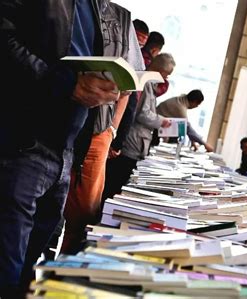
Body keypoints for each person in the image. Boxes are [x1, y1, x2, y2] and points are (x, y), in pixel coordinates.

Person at [0, 0, 121, 296]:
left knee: (30, 274)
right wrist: (65, 84)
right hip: (24, 143)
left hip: (65, 150)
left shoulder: (97, 6)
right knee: (8, 274)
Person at [60, 3, 146, 255]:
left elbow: (128, 89)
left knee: (85, 209)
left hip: (98, 128)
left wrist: (112, 130)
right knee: (48, 204)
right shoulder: (71, 7)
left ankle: (66, 266)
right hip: (59, 115)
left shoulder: (121, 18)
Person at [101, 53, 175, 201]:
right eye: (166, 75)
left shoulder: (150, 84)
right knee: (114, 186)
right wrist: (162, 121)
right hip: (133, 142)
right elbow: (142, 113)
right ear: (159, 71)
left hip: (137, 143)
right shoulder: (146, 83)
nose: (166, 79)